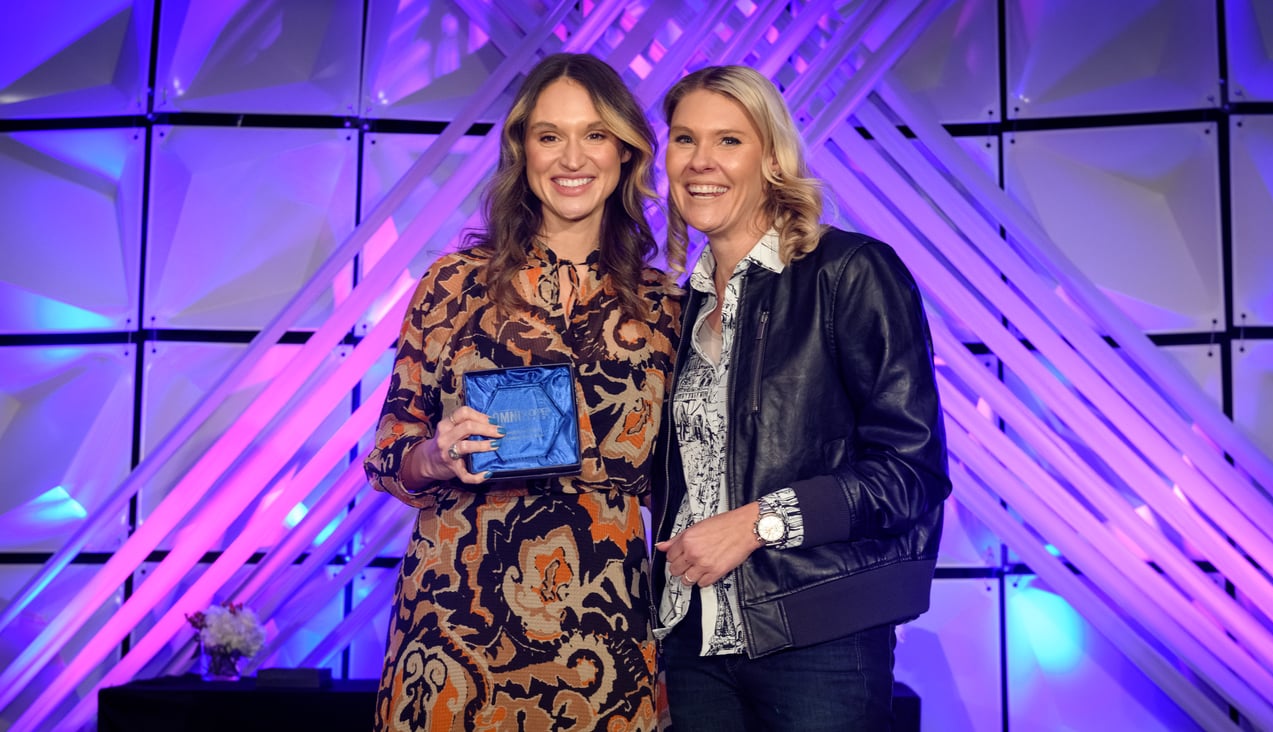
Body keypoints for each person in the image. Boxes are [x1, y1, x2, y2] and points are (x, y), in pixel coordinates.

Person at [364, 53, 683, 732]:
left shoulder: (667, 308)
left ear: (625, 152)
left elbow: (684, 483)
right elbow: (389, 452)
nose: (572, 156)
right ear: (523, 152)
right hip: (456, 632)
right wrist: (434, 458)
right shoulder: (452, 286)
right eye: (549, 135)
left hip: (605, 639)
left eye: (594, 134)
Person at [650, 65, 951, 731]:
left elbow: (912, 473)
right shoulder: (672, 307)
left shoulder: (850, 272)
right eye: (683, 139)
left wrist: (757, 521)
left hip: (820, 640)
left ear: (773, 157)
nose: (701, 162)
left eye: (729, 140)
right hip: (691, 644)